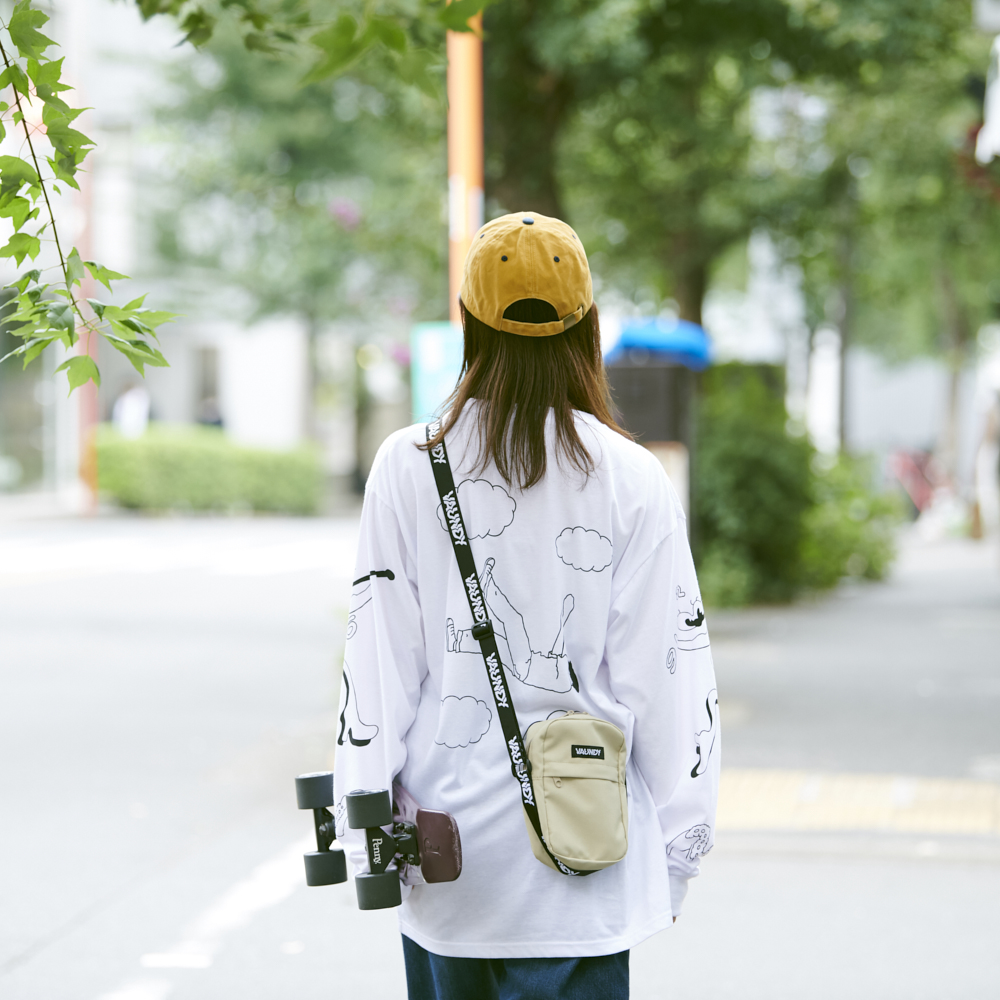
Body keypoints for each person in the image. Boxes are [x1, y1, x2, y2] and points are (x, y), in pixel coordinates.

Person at [334, 212, 719, 1000]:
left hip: (451, 867)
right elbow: (668, 674)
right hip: (584, 852)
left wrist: (360, 817)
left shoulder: (410, 467)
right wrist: (678, 850)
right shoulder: (631, 476)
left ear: (471, 324)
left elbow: (378, 665)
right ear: (586, 328)